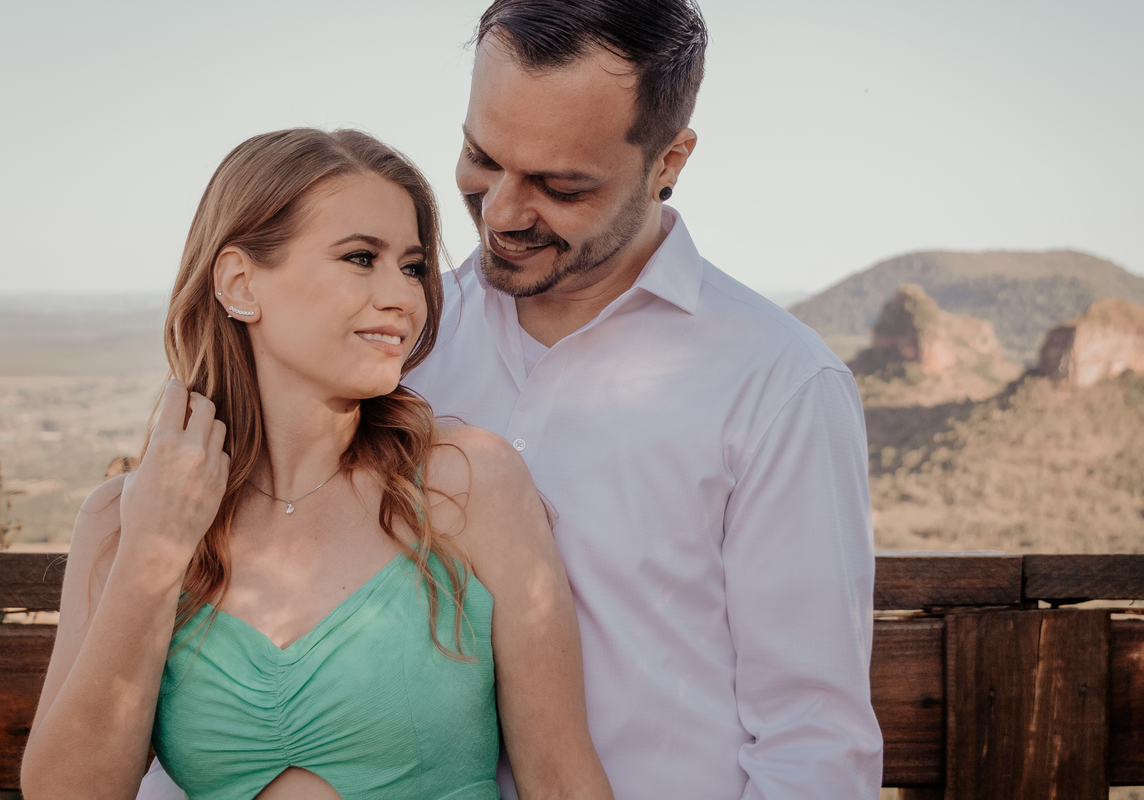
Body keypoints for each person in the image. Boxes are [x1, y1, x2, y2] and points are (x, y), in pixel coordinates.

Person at [21, 128, 613, 800]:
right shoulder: (121, 519)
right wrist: (153, 554)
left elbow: (563, 781)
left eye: (413, 266)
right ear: (241, 283)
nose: (404, 297)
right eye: (361, 258)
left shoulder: (468, 483)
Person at [407, 1, 884, 798]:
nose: (502, 212)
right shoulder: (401, 346)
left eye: (561, 185)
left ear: (670, 161)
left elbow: (814, 741)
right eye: (480, 156)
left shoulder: (782, 385)